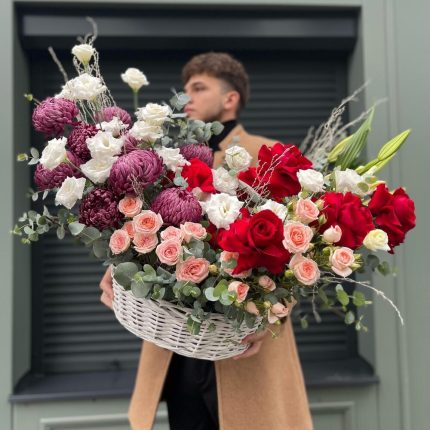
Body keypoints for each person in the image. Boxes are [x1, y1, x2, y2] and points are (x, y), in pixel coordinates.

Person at [99, 52, 313, 430]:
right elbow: (143, 232)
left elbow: (302, 249)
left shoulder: (270, 155)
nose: (188, 97)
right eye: (186, 89)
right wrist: (120, 268)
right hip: (176, 348)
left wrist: (274, 314)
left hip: (245, 346)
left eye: (199, 88)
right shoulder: (170, 159)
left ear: (230, 98)